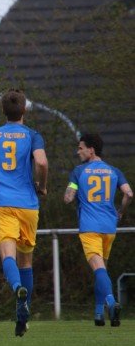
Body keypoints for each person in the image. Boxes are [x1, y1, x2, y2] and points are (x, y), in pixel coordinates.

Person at [0, 89, 48, 337]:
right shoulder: (32, 135)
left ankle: (17, 288)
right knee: (26, 261)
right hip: (27, 204)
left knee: (8, 256)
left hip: (2, 204)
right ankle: (22, 315)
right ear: (24, 110)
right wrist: (43, 186)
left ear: (3, 111)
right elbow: (42, 162)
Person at [63, 133, 132, 327]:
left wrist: (71, 195)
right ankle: (98, 313)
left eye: (81, 148)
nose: (78, 152)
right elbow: (128, 193)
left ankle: (111, 302)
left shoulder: (78, 171)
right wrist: (120, 212)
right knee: (101, 271)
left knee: (99, 270)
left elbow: (68, 198)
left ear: (91, 150)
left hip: (90, 227)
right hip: (109, 227)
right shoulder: (114, 171)